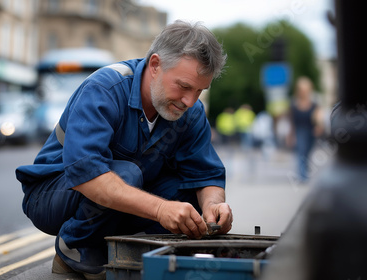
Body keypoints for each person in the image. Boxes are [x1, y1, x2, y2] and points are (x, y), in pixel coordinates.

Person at [16, 20, 233, 280]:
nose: (190, 101)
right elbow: (87, 174)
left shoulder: (192, 112)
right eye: (184, 86)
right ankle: (74, 249)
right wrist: (161, 209)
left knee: (187, 197)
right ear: (155, 65)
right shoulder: (104, 88)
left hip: (117, 193)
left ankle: (127, 249)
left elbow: (206, 174)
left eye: (199, 90)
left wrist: (213, 206)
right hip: (52, 193)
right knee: (128, 174)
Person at [286, 76, 323, 183]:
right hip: (299, 130)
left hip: (311, 131)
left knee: (307, 153)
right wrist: (290, 135)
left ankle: (304, 172)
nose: (304, 92)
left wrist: (319, 126)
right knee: (301, 153)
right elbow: (291, 121)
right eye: (302, 90)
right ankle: (303, 176)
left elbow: (318, 117)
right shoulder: (293, 104)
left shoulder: (314, 103)